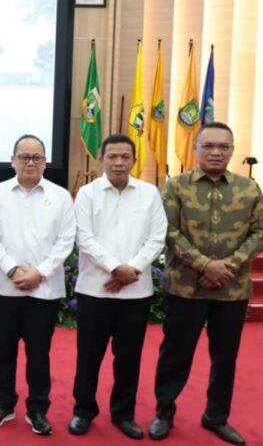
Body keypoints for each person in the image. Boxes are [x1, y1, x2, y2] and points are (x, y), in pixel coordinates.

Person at [148, 122, 263, 446]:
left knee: (225, 358)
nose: (216, 152)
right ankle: (164, 412)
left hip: (231, 289)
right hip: (185, 287)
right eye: (209, 146)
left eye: (223, 147)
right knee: (175, 354)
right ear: (196, 149)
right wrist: (204, 265)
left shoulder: (249, 188)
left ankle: (216, 416)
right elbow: (168, 230)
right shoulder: (177, 186)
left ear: (232, 150)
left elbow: (260, 233)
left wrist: (227, 266)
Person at [69, 134, 167, 439]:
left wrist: (132, 269)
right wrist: (115, 268)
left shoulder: (149, 193)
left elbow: (157, 237)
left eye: (125, 157)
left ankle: (123, 414)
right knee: (89, 357)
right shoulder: (87, 194)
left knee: (128, 359)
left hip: (135, 292)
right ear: (101, 159)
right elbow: (84, 238)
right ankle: (83, 411)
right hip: (94, 291)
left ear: (134, 160)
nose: (119, 162)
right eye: (112, 156)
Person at [0, 134, 76, 436]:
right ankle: (4, 403)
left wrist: (40, 272)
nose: (30, 163)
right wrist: (12, 268)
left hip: (43, 290)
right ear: (13, 161)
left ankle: (38, 408)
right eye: (24, 157)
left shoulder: (60, 196)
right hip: (5, 287)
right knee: (4, 351)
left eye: (37, 157)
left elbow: (66, 240)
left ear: (45, 162)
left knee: (39, 353)